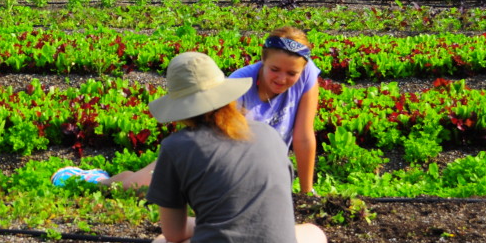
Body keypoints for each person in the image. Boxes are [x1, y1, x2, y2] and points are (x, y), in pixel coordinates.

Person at [67, 52, 327, 243]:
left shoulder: (177, 147)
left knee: (163, 241)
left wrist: (211, 224)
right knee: (314, 234)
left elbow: (175, 234)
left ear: (180, 107)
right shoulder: (269, 135)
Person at [52, 26, 321, 195]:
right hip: (210, 153)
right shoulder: (239, 84)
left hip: (254, 167)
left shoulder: (308, 75)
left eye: (291, 73)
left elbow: (304, 136)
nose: (282, 78)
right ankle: (98, 180)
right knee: (139, 186)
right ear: (262, 61)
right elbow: (218, 143)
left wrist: (307, 192)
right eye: (274, 69)